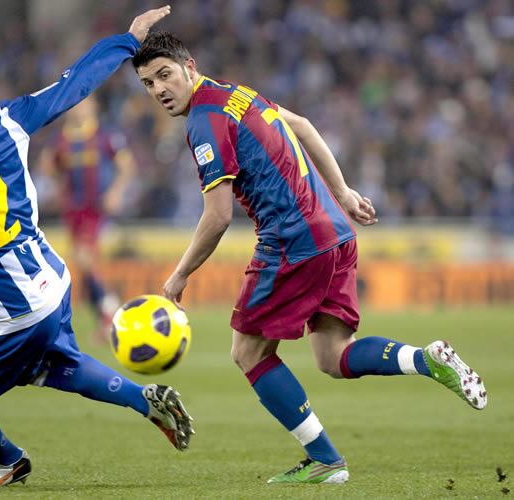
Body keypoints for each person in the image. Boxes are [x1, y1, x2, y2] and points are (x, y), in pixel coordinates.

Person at [132, 31, 486, 485]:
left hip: (291, 241)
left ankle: (325, 460)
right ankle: (426, 359)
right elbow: (302, 124)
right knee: (332, 356)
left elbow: (217, 216)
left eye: (164, 75)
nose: (159, 89)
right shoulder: (235, 93)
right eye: (148, 83)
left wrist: (179, 274)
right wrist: (343, 192)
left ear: (189, 67)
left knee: (248, 352)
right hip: (335, 232)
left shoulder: (203, 120)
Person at [0, 8, 193, 488]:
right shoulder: (7, 122)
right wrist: (128, 40)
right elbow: (74, 85)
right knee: (56, 366)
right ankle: (144, 398)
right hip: (51, 285)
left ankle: (5, 460)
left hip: (10, 318)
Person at [39, 95, 134, 343]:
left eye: (83, 103)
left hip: (96, 209)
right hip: (73, 211)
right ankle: (107, 316)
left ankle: (110, 313)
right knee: (86, 265)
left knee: (84, 259)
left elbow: (127, 165)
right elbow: (47, 165)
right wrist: (57, 184)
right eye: (74, 104)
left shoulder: (105, 135)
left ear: (93, 106)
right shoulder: (61, 139)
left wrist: (115, 192)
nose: (78, 108)